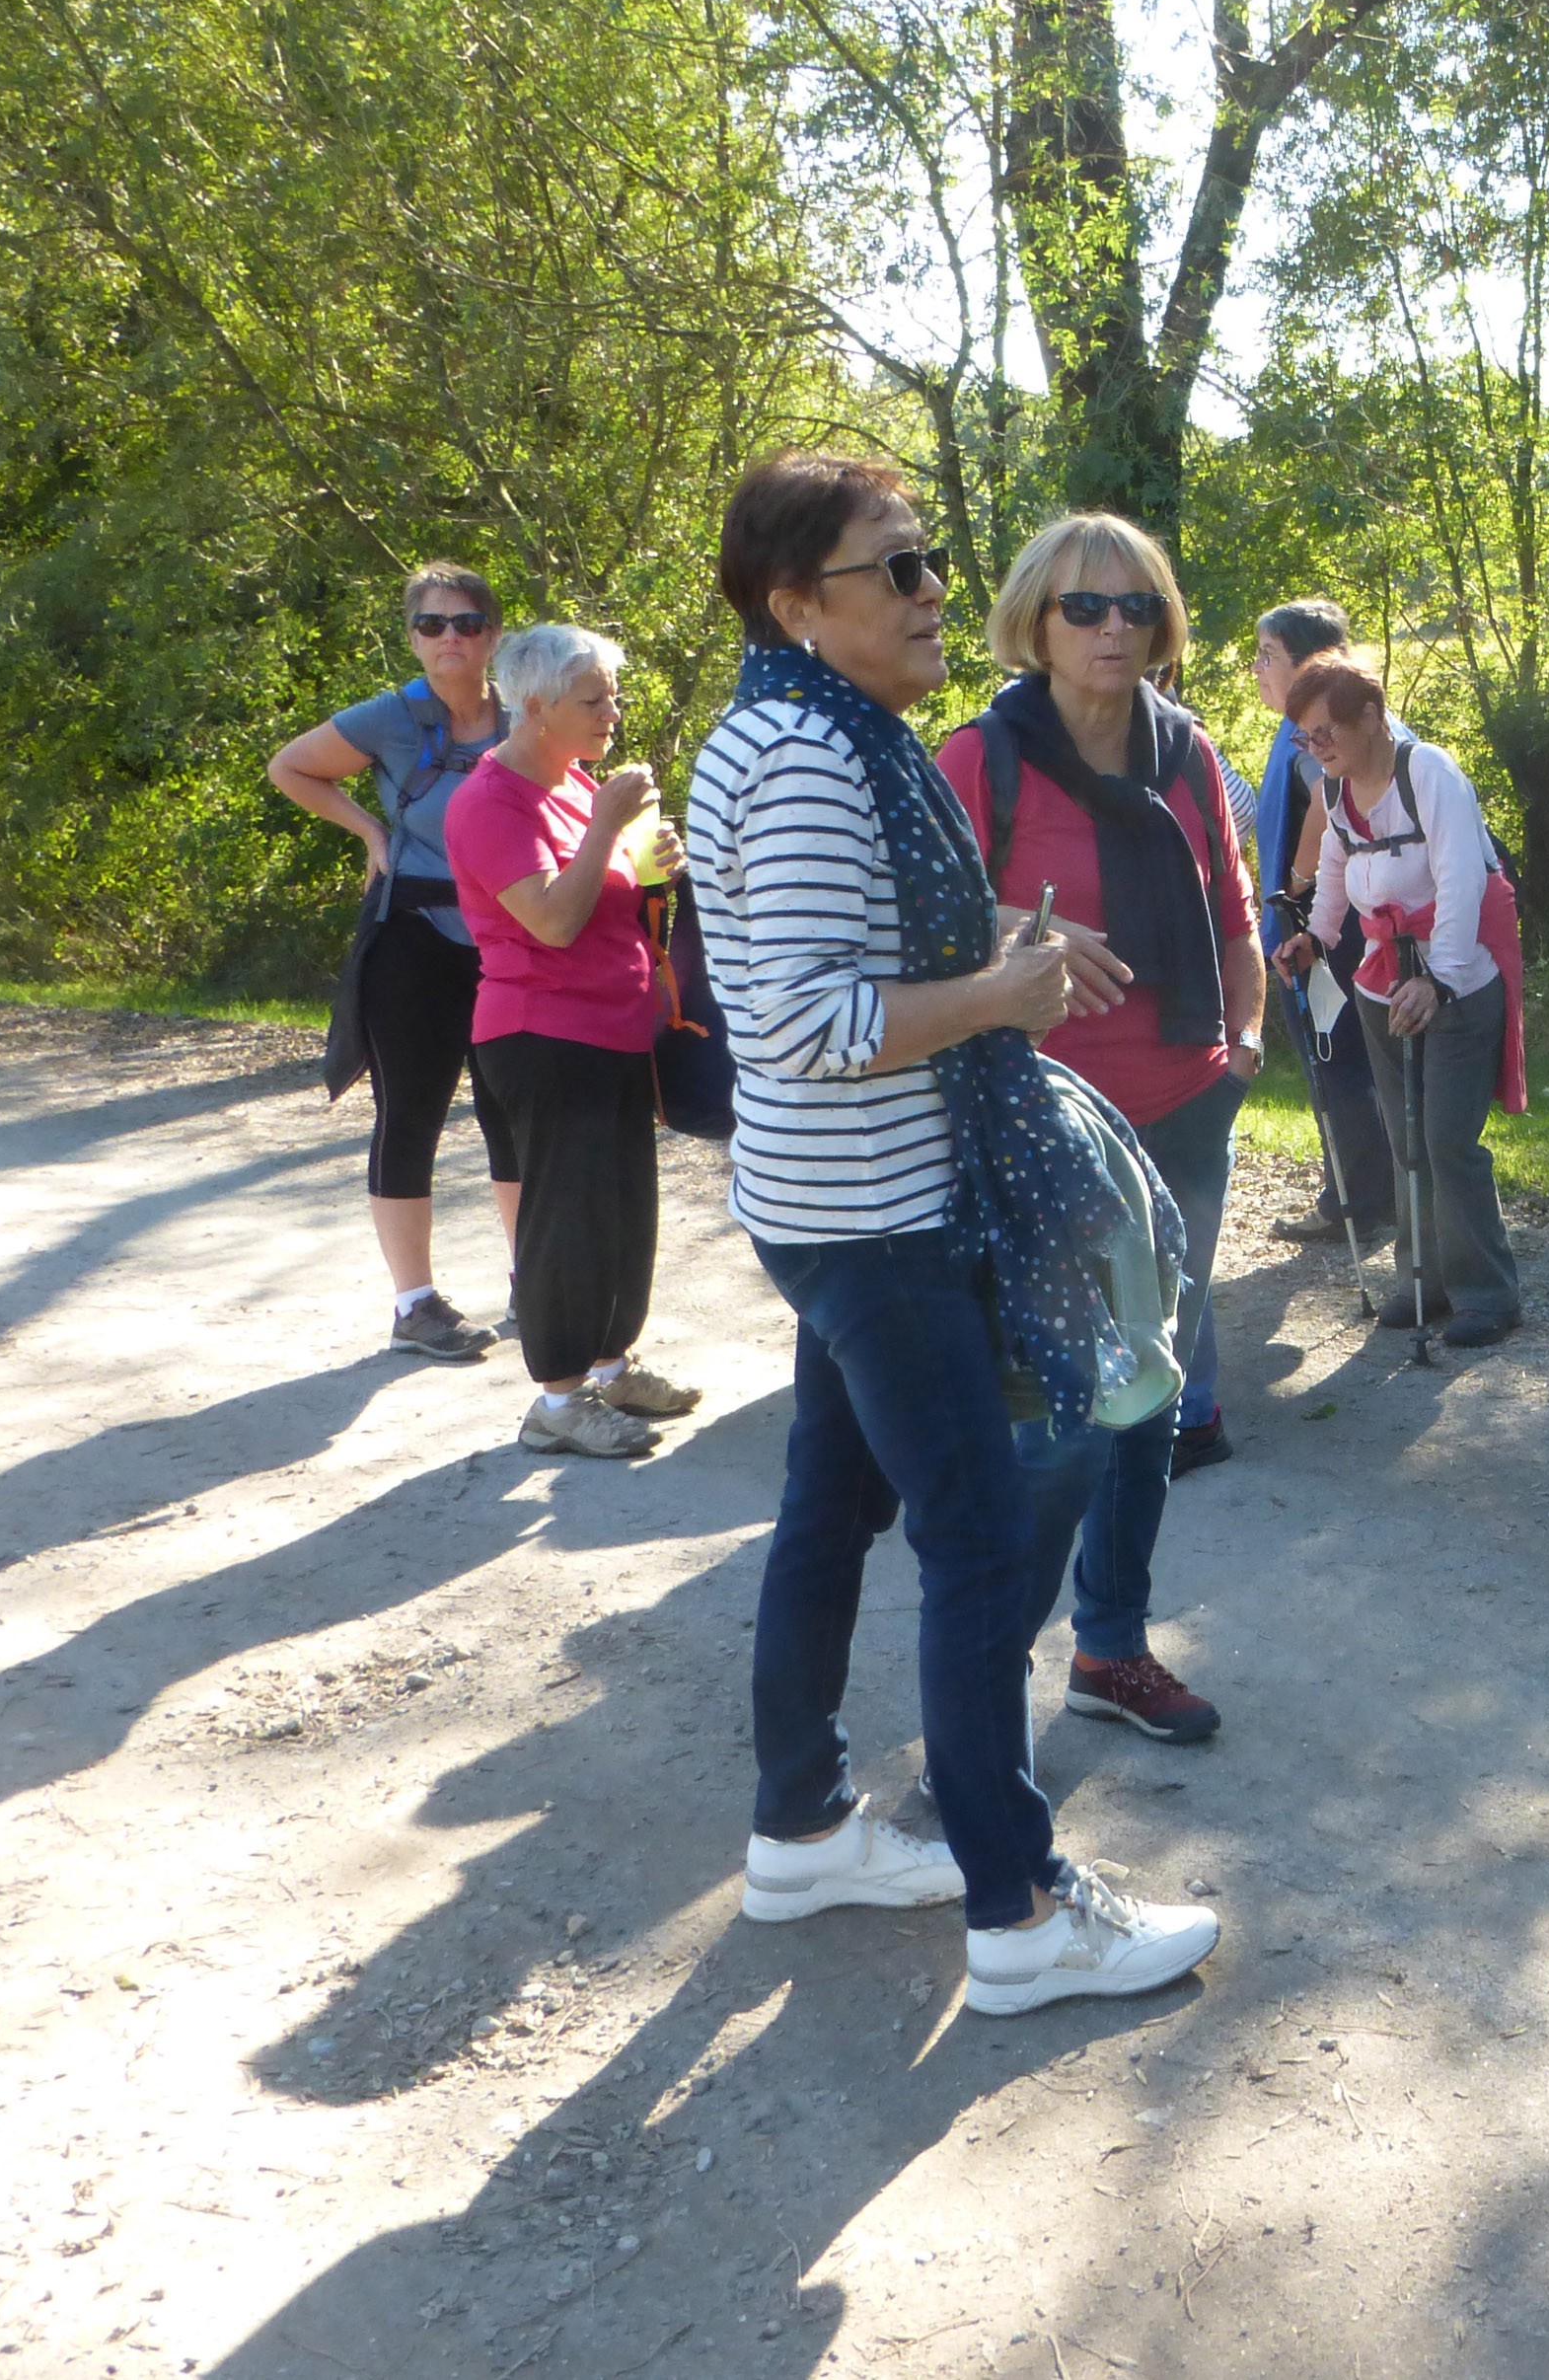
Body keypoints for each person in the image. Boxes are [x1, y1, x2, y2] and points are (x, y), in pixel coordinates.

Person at [686, 448, 1218, 2016]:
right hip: (875, 1218)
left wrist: (1003, 937)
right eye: (897, 571)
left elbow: (856, 935)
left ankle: (801, 1832)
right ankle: (1021, 1912)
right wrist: (999, 997)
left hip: (833, 1205)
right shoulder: (800, 754)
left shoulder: (822, 728)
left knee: (828, 1514)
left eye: (927, 561)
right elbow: (793, 1016)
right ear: (799, 603)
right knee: (981, 1547)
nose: (933, 596)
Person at [935, 513, 1259, 1746]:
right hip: (1042, 1118)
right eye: (1085, 606)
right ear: (1035, 620)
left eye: (1135, 604)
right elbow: (923, 927)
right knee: (1057, 1416)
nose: (1113, 625)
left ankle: (1109, 1649)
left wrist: (1242, 1050)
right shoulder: (981, 758)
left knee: (1153, 1395)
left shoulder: (1185, 753)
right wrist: (1029, 924)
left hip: (1181, 1110)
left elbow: (1232, 911)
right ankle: (984, 1676)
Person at [440, 624, 704, 1460]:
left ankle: (611, 1364)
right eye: (594, 699)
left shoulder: (579, 787)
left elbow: (617, 901)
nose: (612, 711)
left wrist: (660, 862)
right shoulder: (488, 800)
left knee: (626, 1213)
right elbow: (552, 920)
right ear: (537, 705)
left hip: (616, 1028)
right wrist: (606, 826)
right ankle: (557, 1401)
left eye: (612, 695)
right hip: (542, 1033)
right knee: (567, 1219)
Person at [265, 562, 521, 1361]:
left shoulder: (529, 712)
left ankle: (531, 1279)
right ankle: (415, 1305)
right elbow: (290, 767)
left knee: (512, 1113)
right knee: (410, 1114)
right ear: (412, 637)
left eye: (469, 622)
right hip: (412, 939)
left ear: (494, 634)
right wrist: (371, 834)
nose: (452, 637)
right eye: (433, 625)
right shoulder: (388, 718)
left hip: (511, 938)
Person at [1271, 658, 1526, 1346]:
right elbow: (1333, 869)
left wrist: (1438, 980)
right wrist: (1317, 940)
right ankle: (1422, 1282)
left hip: (1460, 978)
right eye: (1305, 737)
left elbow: (1462, 879)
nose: (1318, 748)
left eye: (1327, 732)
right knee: (1404, 1137)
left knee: (1445, 1137)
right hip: (1381, 979)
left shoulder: (1430, 775)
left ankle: (1489, 1293)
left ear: (1372, 719)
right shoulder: (1334, 789)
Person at [1248, 601, 1399, 1256]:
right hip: (1329, 917)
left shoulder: (1314, 736)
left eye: (1267, 655)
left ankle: (1356, 1202)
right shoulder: (1303, 731)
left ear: (1307, 663)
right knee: (1343, 1059)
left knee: (1333, 1059)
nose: (1257, 668)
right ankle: (1368, 1195)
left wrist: (1302, 882)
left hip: (1320, 924)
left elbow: (1325, 798)